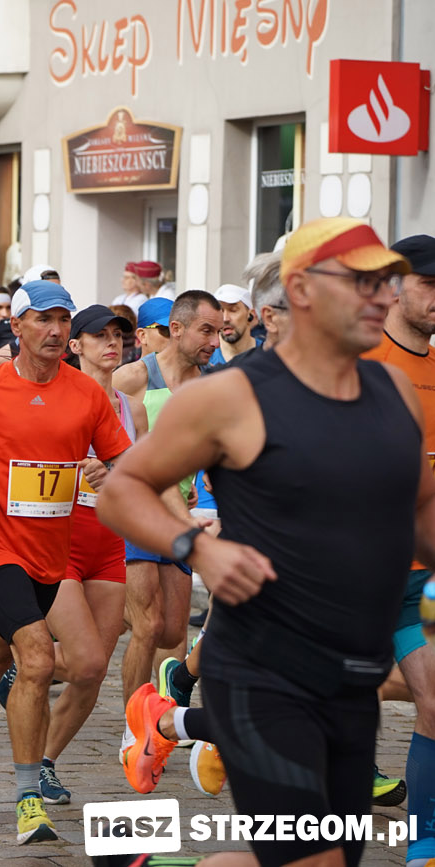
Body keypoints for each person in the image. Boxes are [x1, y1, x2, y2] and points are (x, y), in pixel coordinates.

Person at [98, 217, 426, 867]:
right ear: (300, 290)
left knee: (323, 859)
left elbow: (423, 507)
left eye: (387, 282)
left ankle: (138, 863)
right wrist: (198, 547)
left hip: (353, 677)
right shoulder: (233, 395)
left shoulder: (392, 392)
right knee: (312, 859)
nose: (384, 296)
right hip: (263, 673)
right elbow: (122, 489)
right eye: (362, 282)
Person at [0, 281, 132, 845]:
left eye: (63, 320)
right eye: (43, 319)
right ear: (16, 326)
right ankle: (28, 800)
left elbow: (124, 458)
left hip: (50, 554)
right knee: (34, 660)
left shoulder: (87, 394)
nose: (56, 330)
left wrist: (110, 469)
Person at [111, 289, 220, 760]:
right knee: (148, 624)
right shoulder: (133, 377)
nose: (215, 341)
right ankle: (135, 730)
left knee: (173, 631)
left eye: (219, 332)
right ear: (176, 329)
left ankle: (87, 622)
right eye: (206, 331)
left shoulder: (210, 385)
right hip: (135, 512)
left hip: (178, 516)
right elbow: (95, 423)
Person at [361, 233, 435, 864]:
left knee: (434, 701)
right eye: (429, 285)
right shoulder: (359, 363)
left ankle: (423, 844)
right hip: (348, 574)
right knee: (311, 703)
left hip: (416, 578)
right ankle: (175, 720)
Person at [208, 284, 261, 366]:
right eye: (220, 311)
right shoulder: (206, 358)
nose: (225, 318)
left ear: (251, 315)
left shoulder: (269, 353)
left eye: (233, 310)